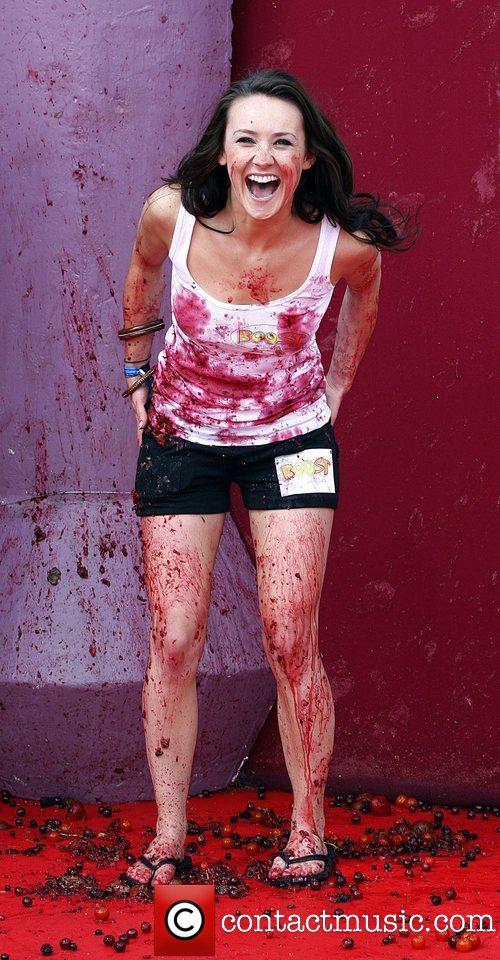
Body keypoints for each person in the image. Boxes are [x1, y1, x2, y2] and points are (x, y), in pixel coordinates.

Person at [119, 68, 419, 889]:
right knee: (174, 638)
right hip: (181, 438)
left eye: (282, 141)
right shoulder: (171, 214)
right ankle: (169, 836)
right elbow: (141, 277)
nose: (263, 156)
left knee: (290, 638)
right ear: (222, 152)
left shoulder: (342, 245)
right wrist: (135, 374)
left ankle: (308, 831)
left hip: (290, 443)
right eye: (246, 138)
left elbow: (363, 302)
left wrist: (334, 392)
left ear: (307, 159)